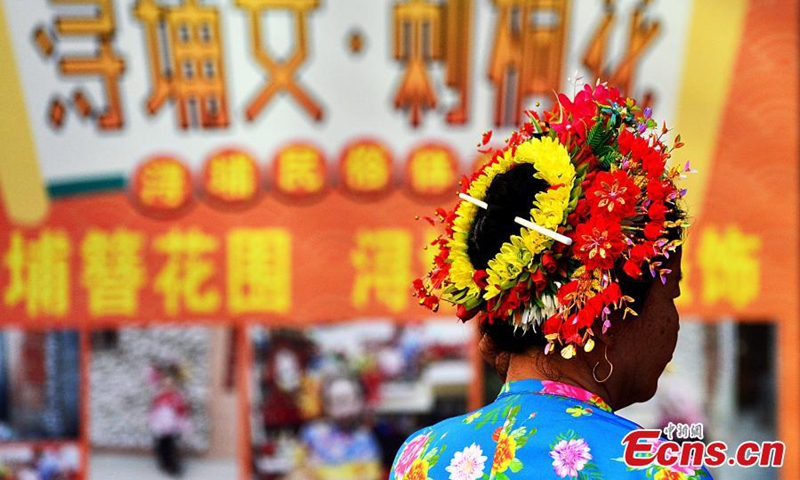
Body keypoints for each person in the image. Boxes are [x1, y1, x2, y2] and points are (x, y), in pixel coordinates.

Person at [396, 83, 712, 479]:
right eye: (671, 294)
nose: (673, 320)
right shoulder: (658, 469)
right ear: (606, 310)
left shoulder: (420, 457)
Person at [148, 362, 190, 477]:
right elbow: (154, 407)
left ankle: (173, 465)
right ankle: (163, 463)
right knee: (160, 445)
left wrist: (183, 423)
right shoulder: (159, 394)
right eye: (165, 384)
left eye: (171, 384)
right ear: (162, 384)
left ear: (175, 384)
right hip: (160, 425)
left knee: (171, 445)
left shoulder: (178, 396)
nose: (168, 386)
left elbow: (182, 410)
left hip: (173, 426)